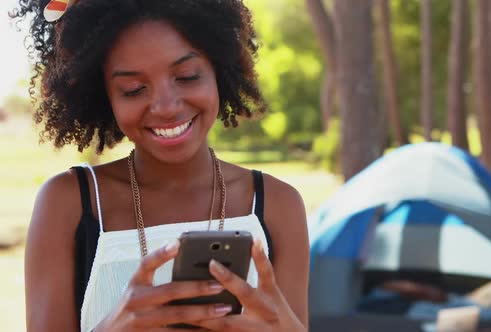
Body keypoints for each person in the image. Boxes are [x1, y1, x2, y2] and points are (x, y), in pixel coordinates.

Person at [15, 0, 309, 331]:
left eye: (186, 76)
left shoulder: (277, 204)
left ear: (219, 70)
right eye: (134, 89)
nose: (166, 107)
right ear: (103, 95)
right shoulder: (69, 203)